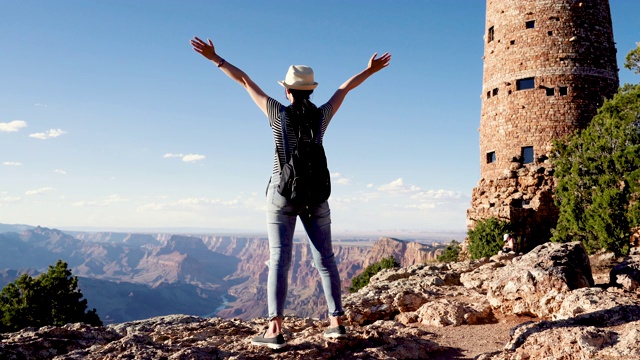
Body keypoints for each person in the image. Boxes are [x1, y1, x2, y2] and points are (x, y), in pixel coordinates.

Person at [190, 36, 391, 349]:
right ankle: (336, 322)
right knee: (325, 258)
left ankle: (274, 330)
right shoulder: (321, 116)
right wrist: (370, 70)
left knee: (279, 259)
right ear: (311, 90)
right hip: (317, 195)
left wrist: (216, 58)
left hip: (281, 194)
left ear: (287, 90)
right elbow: (344, 89)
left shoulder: (276, 112)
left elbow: (244, 81)